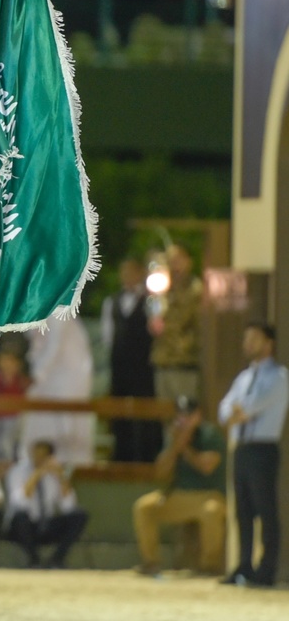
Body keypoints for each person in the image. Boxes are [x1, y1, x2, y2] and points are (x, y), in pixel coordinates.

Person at [218, 322, 288, 587]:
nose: (248, 344)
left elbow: (250, 406)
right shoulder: (244, 377)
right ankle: (244, 565)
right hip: (243, 448)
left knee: (265, 508)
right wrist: (234, 413)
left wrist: (237, 412)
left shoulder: (279, 377)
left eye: (254, 339)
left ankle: (267, 568)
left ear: (269, 343)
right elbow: (225, 409)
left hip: (263, 447)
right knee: (243, 510)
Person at [132, 396, 226, 577]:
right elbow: (160, 472)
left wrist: (184, 448)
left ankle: (209, 566)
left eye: (188, 415)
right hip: (177, 496)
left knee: (212, 511)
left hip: (208, 496)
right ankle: (151, 562)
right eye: (180, 415)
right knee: (144, 507)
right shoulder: (173, 437)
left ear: (198, 415)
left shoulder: (210, 434)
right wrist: (175, 447)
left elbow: (206, 466)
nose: (183, 419)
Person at [101, 258, 162, 462]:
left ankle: (146, 454)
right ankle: (121, 454)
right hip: (119, 365)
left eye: (130, 272)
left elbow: (158, 330)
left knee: (144, 408)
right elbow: (108, 336)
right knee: (119, 409)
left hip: (143, 365)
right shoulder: (111, 302)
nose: (126, 277)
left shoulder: (151, 300)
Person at [22, 314, 94, 466]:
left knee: (67, 423)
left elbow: (55, 344)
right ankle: (33, 460)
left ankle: (70, 464)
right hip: (50, 375)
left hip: (68, 376)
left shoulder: (58, 311)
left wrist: (37, 374)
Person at [4, 439, 88, 568]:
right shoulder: (18, 470)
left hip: (46, 525)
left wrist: (61, 477)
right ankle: (34, 560)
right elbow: (19, 502)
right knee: (20, 517)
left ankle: (56, 559)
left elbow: (68, 506)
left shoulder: (54, 474)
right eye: (35, 454)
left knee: (80, 515)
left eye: (42, 456)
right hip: (23, 528)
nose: (38, 459)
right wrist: (36, 475)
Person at [149, 244, 203, 404]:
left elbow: (190, 321)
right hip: (162, 360)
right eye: (170, 261)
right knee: (165, 413)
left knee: (184, 411)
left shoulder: (195, 290)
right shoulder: (162, 291)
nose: (174, 266)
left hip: (184, 361)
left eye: (178, 260)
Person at [0, 341, 31, 463]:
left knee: (5, 441)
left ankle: (7, 463)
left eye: (10, 361)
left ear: (17, 364)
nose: (7, 365)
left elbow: (25, 401)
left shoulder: (21, 381)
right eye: (4, 361)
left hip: (13, 417)